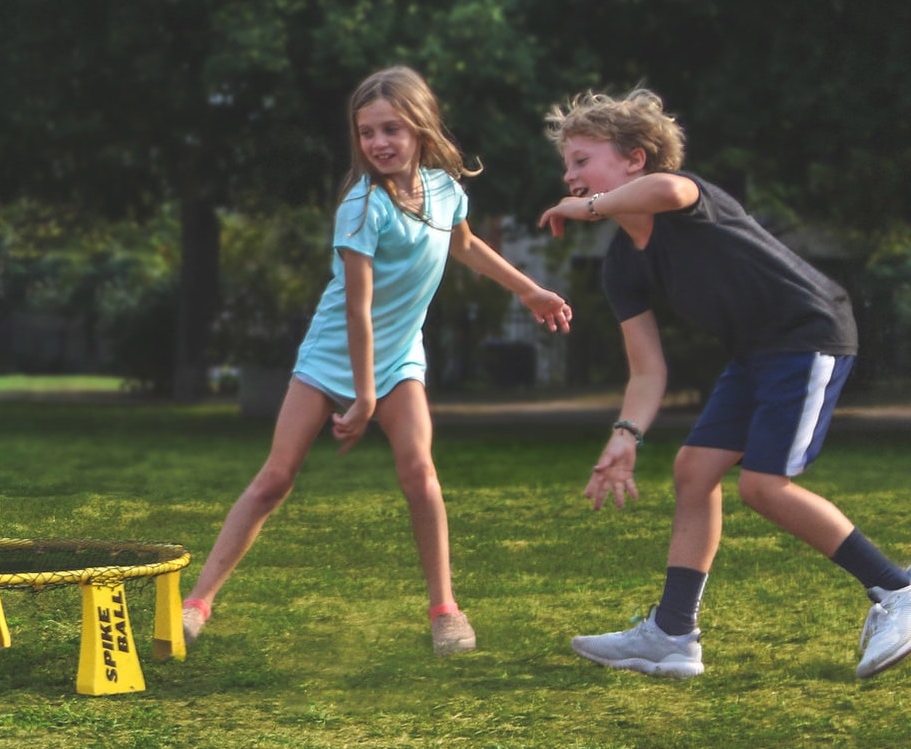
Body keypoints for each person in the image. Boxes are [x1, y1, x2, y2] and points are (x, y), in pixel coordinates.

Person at [180, 66, 573, 656]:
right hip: (332, 353)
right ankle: (196, 604)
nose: (379, 143)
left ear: (419, 128)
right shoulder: (362, 208)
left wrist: (527, 289)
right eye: (367, 133)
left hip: (398, 358)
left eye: (391, 129)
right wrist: (362, 398)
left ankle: (445, 611)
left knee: (420, 474)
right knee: (276, 477)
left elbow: (462, 244)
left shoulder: (444, 190)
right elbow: (356, 312)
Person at [537, 88, 911, 680]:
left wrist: (583, 206)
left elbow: (667, 188)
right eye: (568, 165)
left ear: (634, 158)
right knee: (694, 470)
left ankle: (899, 590)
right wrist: (625, 435)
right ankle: (673, 634)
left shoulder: (684, 196)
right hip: (756, 353)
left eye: (582, 160)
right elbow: (648, 368)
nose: (570, 176)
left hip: (807, 333)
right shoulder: (621, 264)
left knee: (762, 486)